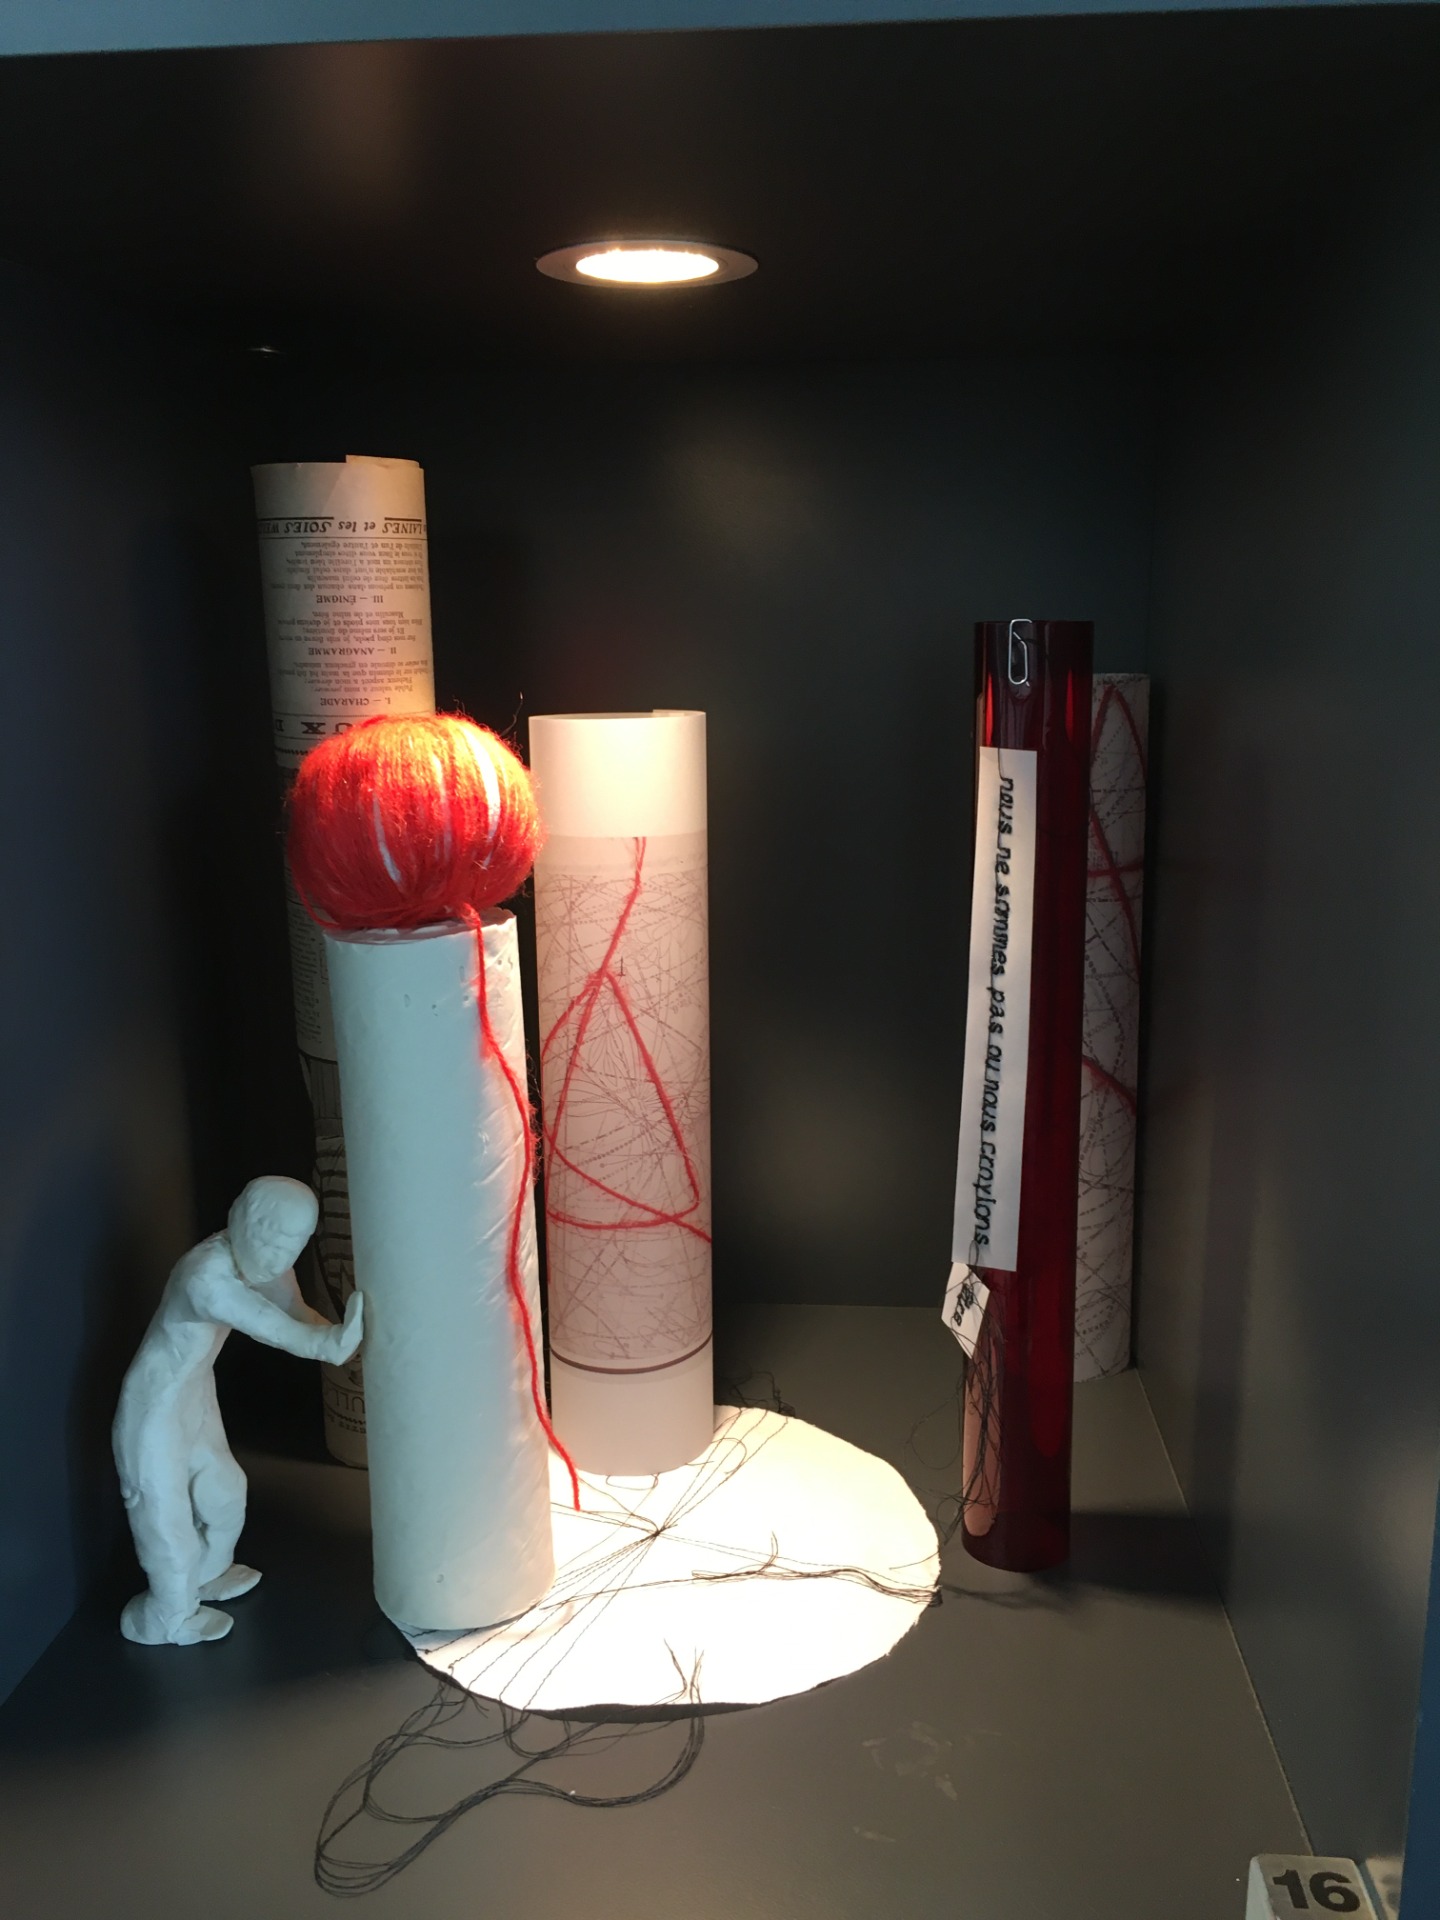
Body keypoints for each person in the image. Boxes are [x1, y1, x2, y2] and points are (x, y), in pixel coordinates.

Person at [112, 1175, 363, 1645]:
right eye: (269, 1242)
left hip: (194, 1398)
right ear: (240, 1220)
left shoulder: (261, 1265)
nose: (277, 1259)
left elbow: (292, 1311)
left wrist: (335, 1337)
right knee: (166, 1521)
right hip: (152, 1411)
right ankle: (167, 1618)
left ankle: (208, 1575)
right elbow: (268, 1325)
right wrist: (328, 1345)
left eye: (291, 1247)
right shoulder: (205, 1275)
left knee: (225, 1492)